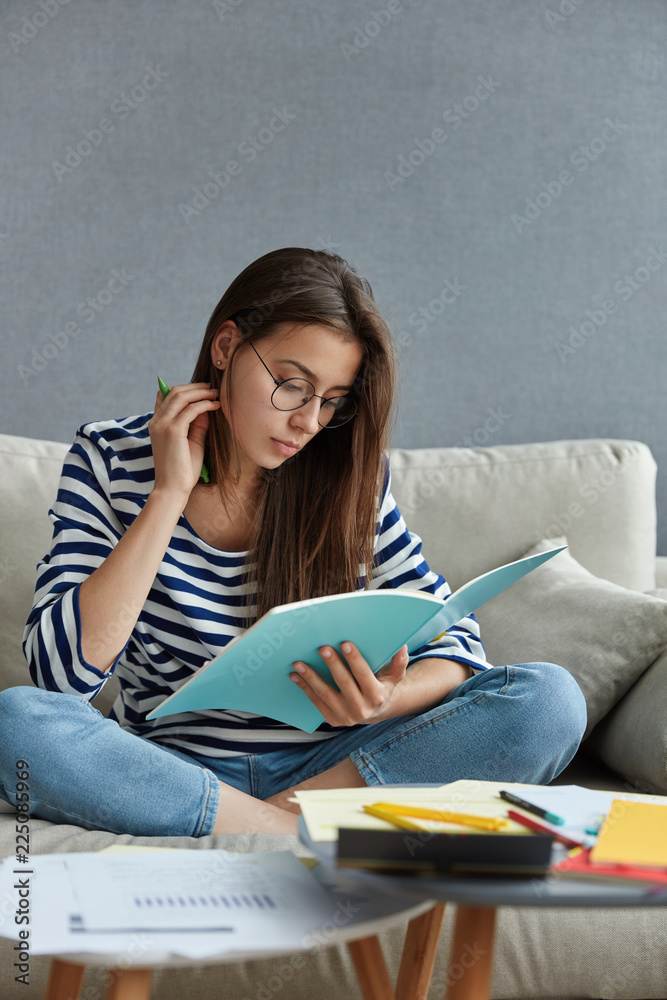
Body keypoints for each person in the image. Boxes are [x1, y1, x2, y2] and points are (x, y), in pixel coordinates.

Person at [0, 247, 586, 839]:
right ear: (225, 347)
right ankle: (286, 832)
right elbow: (59, 678)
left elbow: (456, 641)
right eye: (291, 385)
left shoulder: (348, 473)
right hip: (177, 770)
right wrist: (169, 492)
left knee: (549, 701)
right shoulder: (108, 458)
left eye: (331, 401)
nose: (308, 422)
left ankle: (272, 822)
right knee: (17, 724)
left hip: (335, 766)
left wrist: (383, 700)